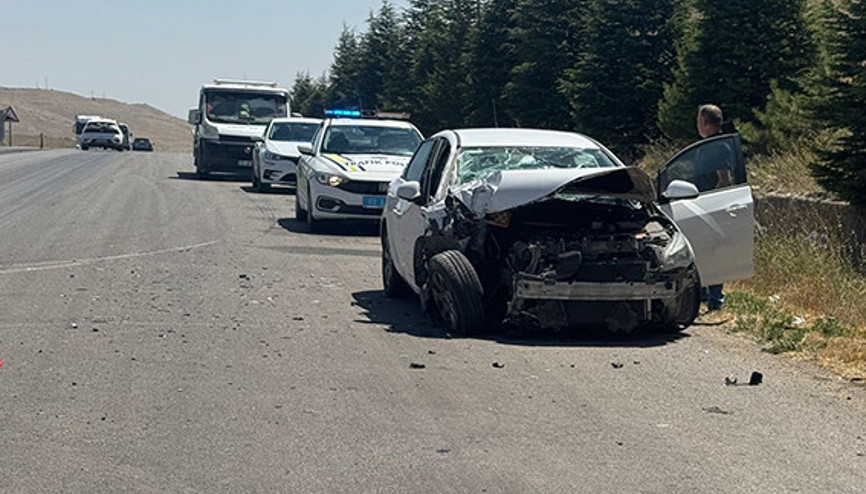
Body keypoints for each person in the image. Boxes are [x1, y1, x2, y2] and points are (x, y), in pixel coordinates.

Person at [696, 104, 729, 310]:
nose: (697, 125)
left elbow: (724, 178)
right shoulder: (707, 145)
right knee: (702, 252)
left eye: (699, 121)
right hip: (700, 205)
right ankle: (705, 294)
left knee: (714, 253)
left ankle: (715, 299)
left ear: (706, 123)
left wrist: (712, 203)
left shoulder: (719, 146)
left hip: (711, 206)